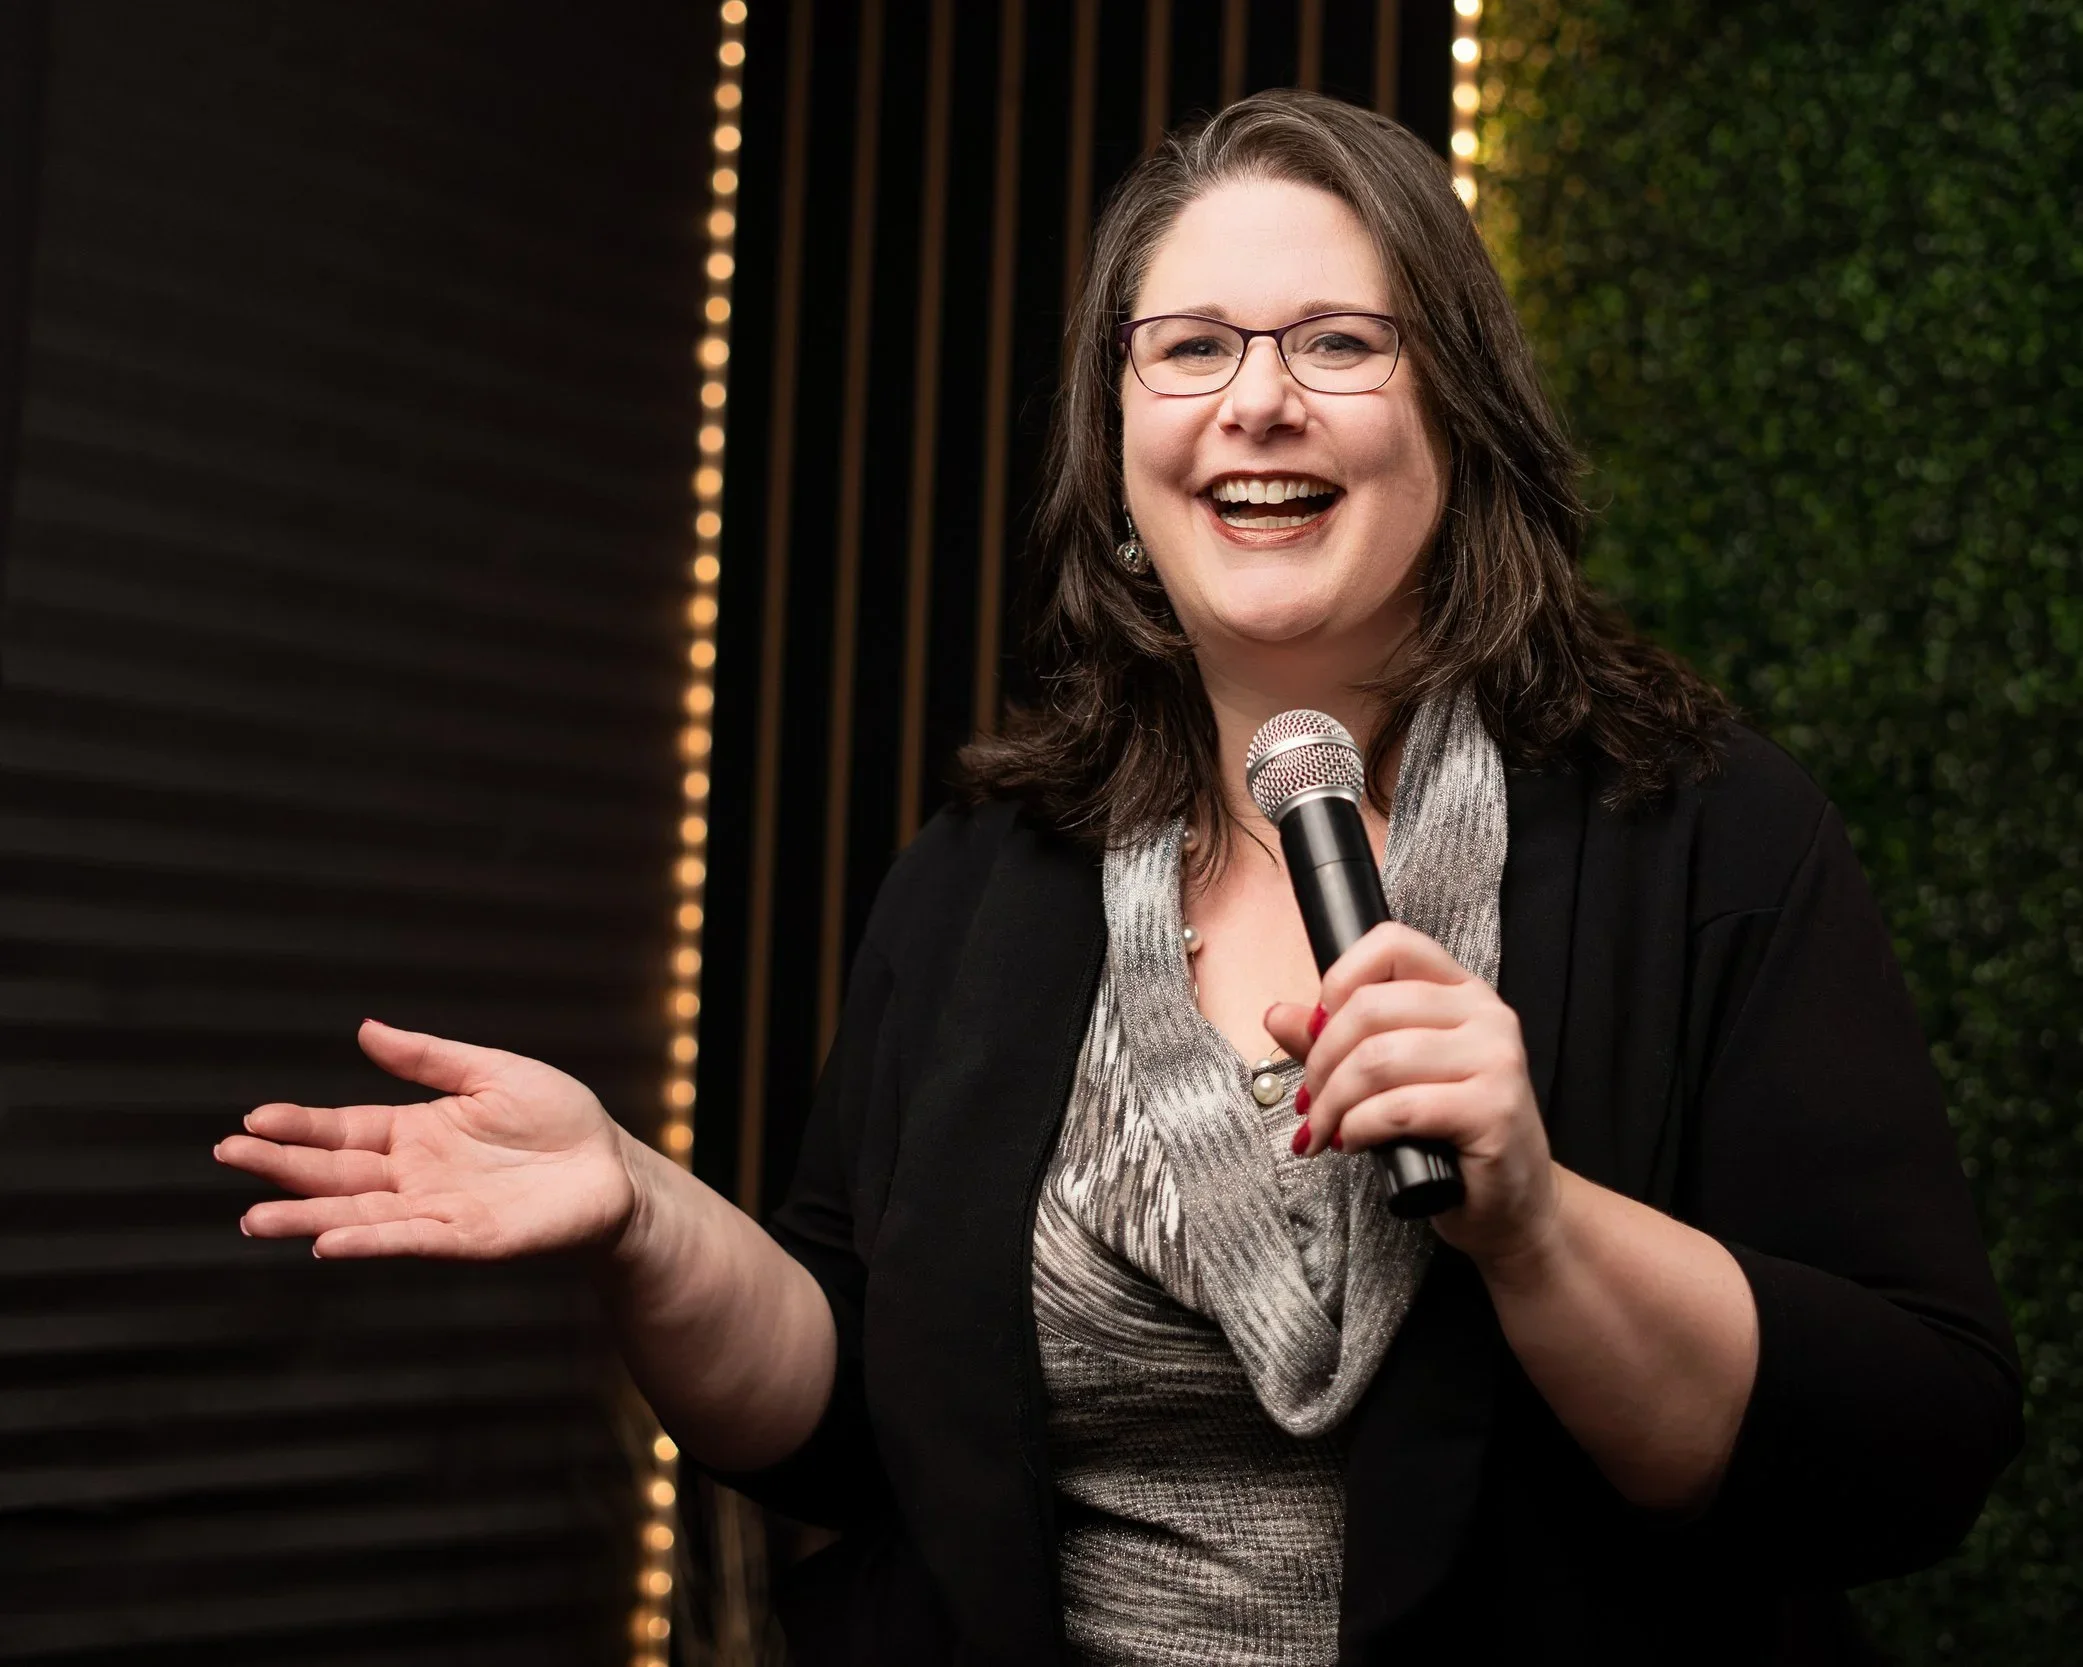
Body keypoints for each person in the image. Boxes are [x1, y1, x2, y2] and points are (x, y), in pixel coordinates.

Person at [214, 91, 2020, 1664]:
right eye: (1191, 348)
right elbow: (854, 1425)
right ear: (1117, 433)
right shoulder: (983, 875)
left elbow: (1910, 1442)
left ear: (1455, 411)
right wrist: (639, 1210)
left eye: (1337, 342)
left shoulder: (1699, 833)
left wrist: (1535, 1222)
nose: (1257, 406)